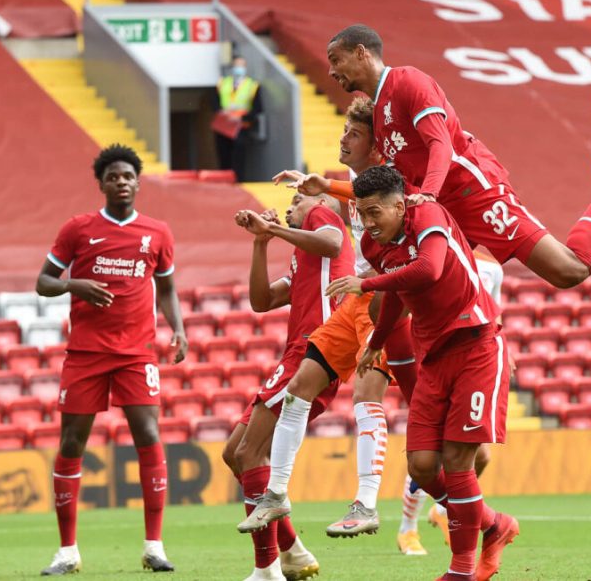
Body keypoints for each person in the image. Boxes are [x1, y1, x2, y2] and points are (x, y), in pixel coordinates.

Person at [313, 24, 591, 289]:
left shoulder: (409, 82)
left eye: (335, 59)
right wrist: (329, 186)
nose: (330, 70)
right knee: (413, 292)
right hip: (442, 208)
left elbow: (442, 145)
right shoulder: (379, 111)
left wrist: (431, 193)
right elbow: (395, 180)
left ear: (361, 52)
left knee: (569, 271)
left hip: (473, 192)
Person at [327, 166, 519, 581]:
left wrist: (366, 284)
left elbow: (429, 269)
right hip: (432, 353)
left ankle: (461, 569)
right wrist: (377, 342)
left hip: (475, 344)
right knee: (422, 466)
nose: (369, 222)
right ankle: (492, 525)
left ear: (400, 205)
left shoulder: (428, 217)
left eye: (376, 212)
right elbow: (399, 293)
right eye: (362, 213)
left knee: (457, 459)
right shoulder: (374, 244)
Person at [36, 144, 188, 576]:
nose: (121, 182)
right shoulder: (78, 229)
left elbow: (168, 289)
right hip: (86, 352)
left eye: (128, 176)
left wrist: (178, 328)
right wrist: (75, 285)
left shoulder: (157, 232)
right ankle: (67, 551)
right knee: (71, 444)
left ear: (138, 182)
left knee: (148, 434)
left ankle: (154, 546)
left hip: (137, 353)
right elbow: (43, 281)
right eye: (113, 177)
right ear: (101, 184)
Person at [272, 97, 420, 540]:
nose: (343, 138)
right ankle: (275, 492)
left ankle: (368, 503)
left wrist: (325, 188)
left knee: (367, 395)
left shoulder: (397, 188)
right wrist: (321, 184)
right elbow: (354, 193)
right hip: (355, 297)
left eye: (353, 134)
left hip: (385, 297)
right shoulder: (358, 184)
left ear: (376, 147)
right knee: (298, 386)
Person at [222, 191, 354, 581]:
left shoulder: (326, 224)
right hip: (296, 353)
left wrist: (275, 228)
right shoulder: (303, 258)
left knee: (250, 452)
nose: (294, 204)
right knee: (235, 453)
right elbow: (261, 301)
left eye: (300, 199)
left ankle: (267, 571)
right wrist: (262, 242)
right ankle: (293, 551)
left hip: (316, 349)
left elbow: (331, 238)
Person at [397, 250, 504, 555]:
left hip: (474, 362)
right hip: (434, 361)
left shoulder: (491, 266)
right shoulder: (429, 255)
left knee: (480, 456)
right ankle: (408, 529)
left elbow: (493, 310)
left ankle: (444, 509)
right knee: (428, 455)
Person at [213, 55, 263, 181]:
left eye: (241, 66)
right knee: (224, 155)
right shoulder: (223, 83)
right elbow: (214, 103)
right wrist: (223, 113)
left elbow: (257, 108)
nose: (238, 69)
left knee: (238, 156)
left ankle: (238, 181)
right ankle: (225, 181)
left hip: (241, 126)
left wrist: (243, 118)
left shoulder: (252, 85)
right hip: (224, 126)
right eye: (236, 65)